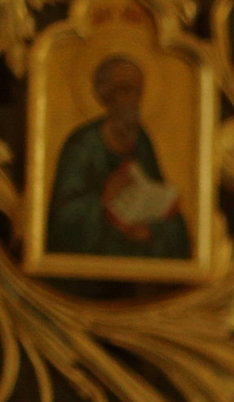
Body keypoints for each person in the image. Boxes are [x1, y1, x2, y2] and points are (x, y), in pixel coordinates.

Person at [47, 55, 190, 262]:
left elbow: (160, 203)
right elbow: (60, 223)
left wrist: (151, 231)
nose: (132, 100)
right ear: (104, 94)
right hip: (93, 270)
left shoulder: (141, 141)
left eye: (137, 91)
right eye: (124, 90)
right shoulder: (83, 146)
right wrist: (103, 200)